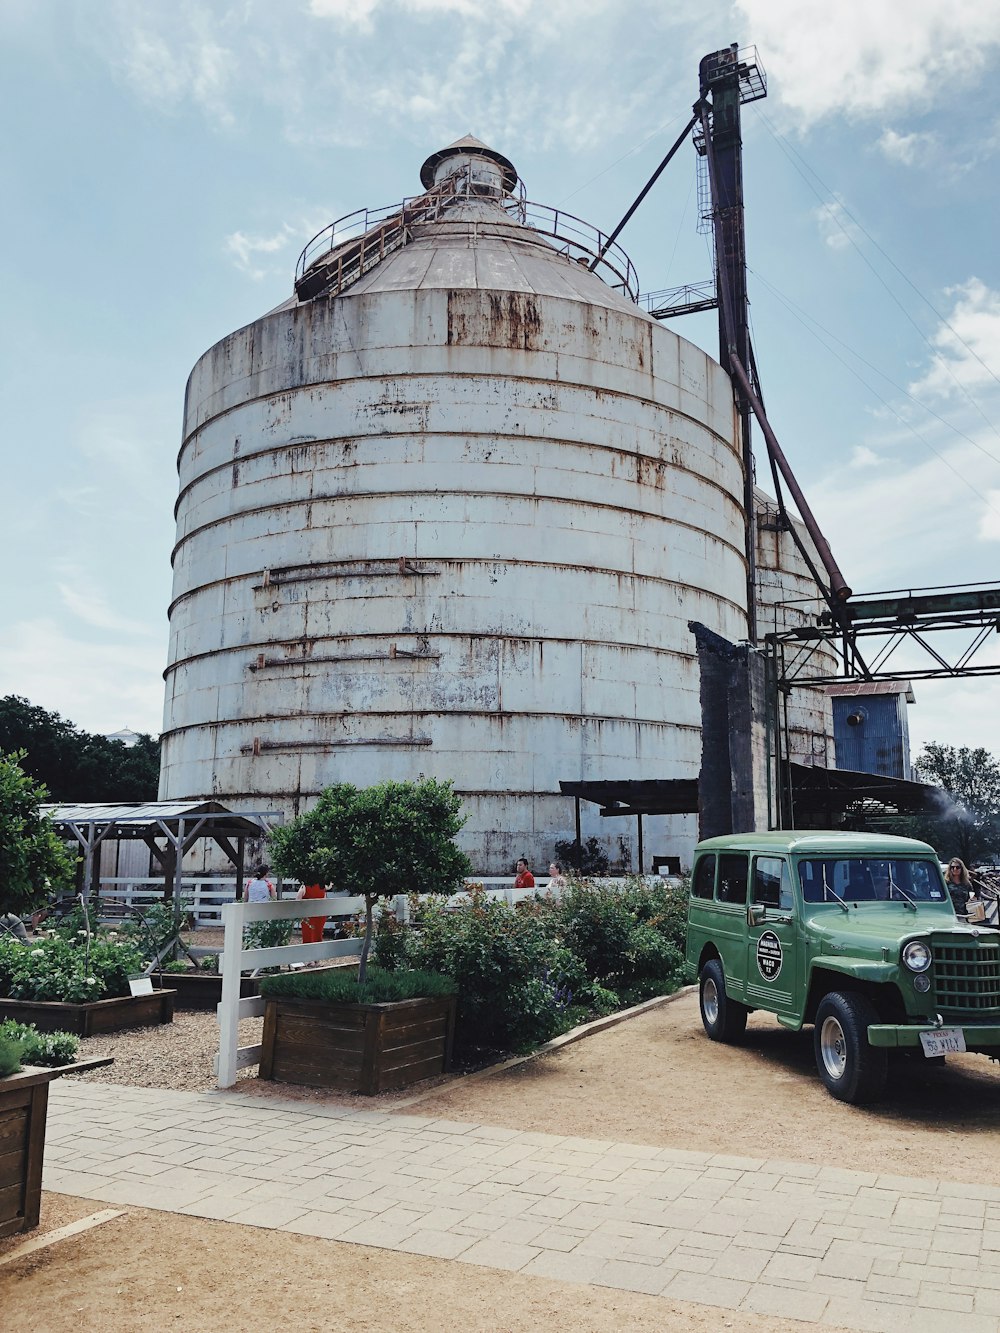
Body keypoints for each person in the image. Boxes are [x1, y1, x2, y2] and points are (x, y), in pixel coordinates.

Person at [296, 880, 327, 953]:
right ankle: (317, 958)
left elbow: (297, 899)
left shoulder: (305, 886)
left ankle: (309, 958)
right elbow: (325, 900)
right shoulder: (322, 885)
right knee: (318, 936)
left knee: (308, 936)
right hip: (320, 915)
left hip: (307, 915)